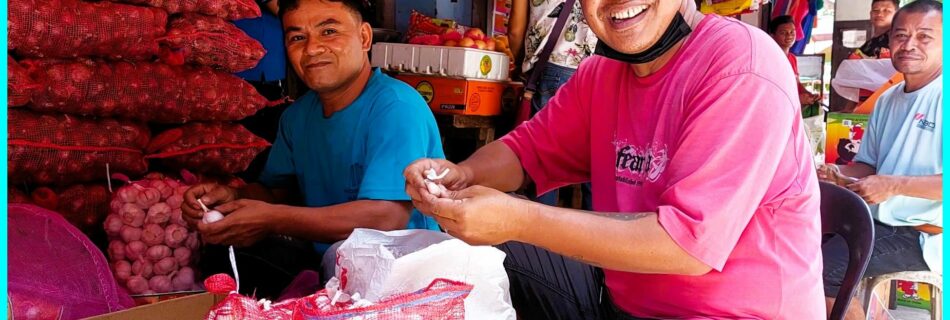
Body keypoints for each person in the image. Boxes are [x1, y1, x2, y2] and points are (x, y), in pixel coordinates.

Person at [405, 0, 823, 317]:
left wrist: (517, 219)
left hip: (732, 312)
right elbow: (527, 150)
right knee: (469, 260)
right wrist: (460, 174)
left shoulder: (740, 65)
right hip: (620, 302)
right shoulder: (600, 74)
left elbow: (688, 245)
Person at [182, 0, 444, 299]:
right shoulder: (296, 117)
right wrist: (232, 198)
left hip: (403, 279)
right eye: (297, 38)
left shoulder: (396, 106)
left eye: (329, 31)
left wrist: (270, 218)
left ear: (364, 37)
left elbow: (386, 216)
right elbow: (279, 193)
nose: (312, 48)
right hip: (334, 272)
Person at [818, 1, 942, 319]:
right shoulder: (887, 99)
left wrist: (894, 185)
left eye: (924, 36)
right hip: (880, 219)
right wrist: (836, 173)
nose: (909, 44)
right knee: (799, 242)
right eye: (900, 35)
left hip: (927, 232)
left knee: (825, 271)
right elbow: (868, 165)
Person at [509, 0, 598, 210]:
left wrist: (522, 65)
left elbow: (514, 31)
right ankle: (597, 236)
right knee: (596, 162)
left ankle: (539, 237)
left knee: (545, 160)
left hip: (552, 69)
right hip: (599, 67)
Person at [769, 15, 821, 107]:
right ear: (772, 36)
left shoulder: (792, 58)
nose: (789, 36)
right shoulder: (770, 59)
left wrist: (809, 95)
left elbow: (796, 83)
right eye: (783, 33)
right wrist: (797, 98)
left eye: (792, 32)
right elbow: (772, 90)